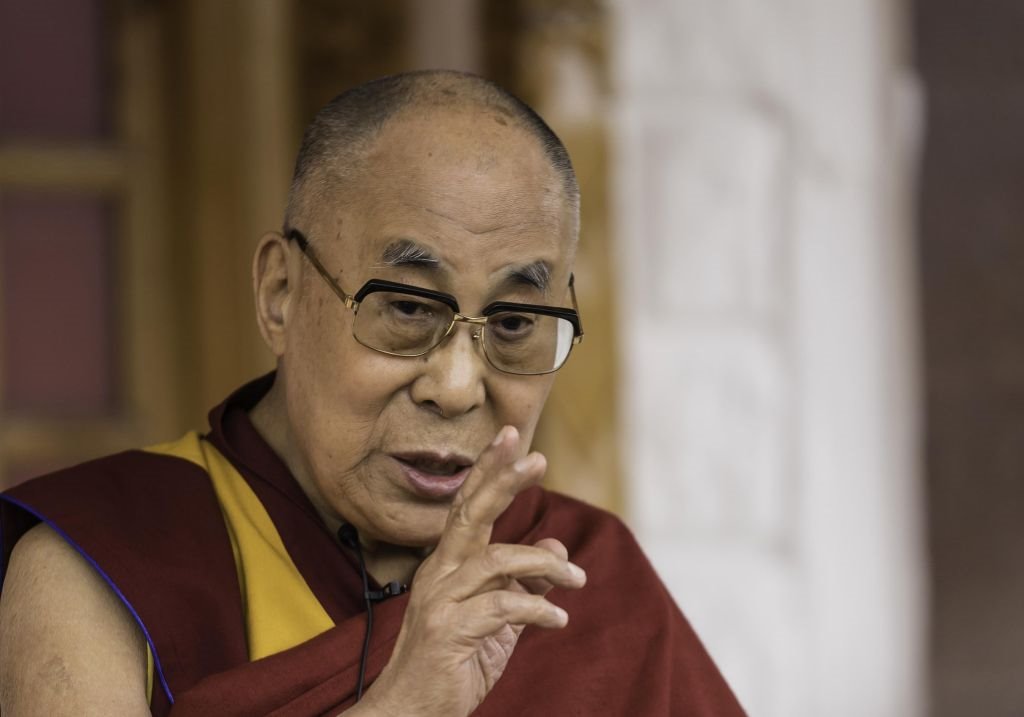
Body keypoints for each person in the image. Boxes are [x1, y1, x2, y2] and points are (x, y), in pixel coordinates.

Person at [0, 71, 744, 716]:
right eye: (408, 308)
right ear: (280, 293)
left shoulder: (583, 580)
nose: (457, 388)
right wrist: (404, 704)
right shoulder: (108, 568)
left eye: (515, 323)